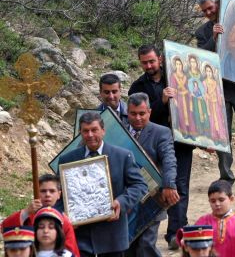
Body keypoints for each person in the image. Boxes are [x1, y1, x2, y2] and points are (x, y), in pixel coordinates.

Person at [129, 44, 194, 250]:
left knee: (178, 186)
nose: (148, 65)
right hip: (153, 145)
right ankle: (144, 229)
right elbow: (140, 118)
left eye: (152, 61)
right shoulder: (137, 87)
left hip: (181, 141)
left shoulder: (176, 77)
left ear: (160, 58)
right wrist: (162, 101)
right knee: (152, 186)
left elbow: (193, 104)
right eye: (144, 62)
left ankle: (176, 232)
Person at [57, 112, 147, 257]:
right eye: (86, 131)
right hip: (80, 236)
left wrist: (121, 202)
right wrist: (65, 217)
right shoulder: (67, 160)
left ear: (103, 131)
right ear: (80, 133)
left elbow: (140, 186)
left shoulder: (123, 156)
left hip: (112, 236)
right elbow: (58, 195)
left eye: (94, 130)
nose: (90, 135)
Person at [195, 0, 235, 185]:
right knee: (222, 132)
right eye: (204, 11)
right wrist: (214, 38)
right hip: (218, 88)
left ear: (219, 3)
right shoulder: (202, 32)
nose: (208, 13)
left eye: (210, 8)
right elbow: (202, 57)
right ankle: (226, 175)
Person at [126, 93, 179, 257]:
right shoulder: (117, 130)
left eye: (142, 113)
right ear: (127, 112)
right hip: (126, 200)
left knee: (146, 245)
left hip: (152, 199)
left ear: (149, 111)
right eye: (133, 113)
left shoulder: (161, 133)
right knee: (129, 248)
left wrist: (169, 184)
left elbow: (169, 160)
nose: (138, 118)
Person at [178, 180, 235, 257]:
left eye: (221, 200)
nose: (217, 204)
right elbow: (191, 242)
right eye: (213, 201)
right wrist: (183, 239)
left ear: (231, 199)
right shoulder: (203, 222)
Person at [1, 174, 79, 256]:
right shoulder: (29, 216)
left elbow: (71, 249)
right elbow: (6, 229)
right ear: (36, 192)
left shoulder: (64, 220)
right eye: (43, 191)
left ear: (59, 194)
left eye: (52, 191)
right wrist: (26, 212)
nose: (47, 194)